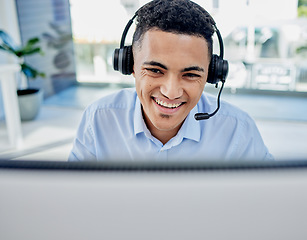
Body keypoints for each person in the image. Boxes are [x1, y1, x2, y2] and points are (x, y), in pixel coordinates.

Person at [68, 0, 273, 161]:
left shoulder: (238, 130)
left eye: (191, 74)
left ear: (211, 75)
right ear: (130, 65)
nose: (171, 92)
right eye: (155, 70)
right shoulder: (98, 120)